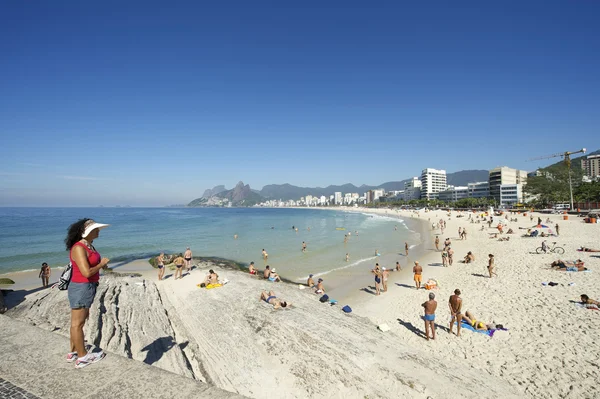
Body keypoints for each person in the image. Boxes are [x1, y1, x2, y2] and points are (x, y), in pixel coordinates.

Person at [65, 218, 110, 367]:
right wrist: (102, 264)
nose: (99, 231)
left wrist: (101, 265)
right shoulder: (79, 248)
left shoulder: (88, 245)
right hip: (81, 287)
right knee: (77, 324)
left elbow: (92, 265)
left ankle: (73, 352)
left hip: (87, 287)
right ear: (88, 232)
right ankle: (83, 357)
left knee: (78, 322)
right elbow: (86, 272)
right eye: (96, 229)